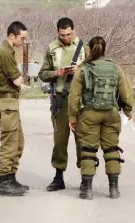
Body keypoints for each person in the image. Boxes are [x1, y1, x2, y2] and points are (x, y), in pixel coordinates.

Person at [68, 35, 134, 200]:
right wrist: (128, 112)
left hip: (89, 114)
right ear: (105, 49)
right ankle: (113, 189)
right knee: (112, 149)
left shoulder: (83, 69)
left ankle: (87, 189)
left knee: (88, 149)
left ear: (90, 49)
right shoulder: (115, 68)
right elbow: (125, 94)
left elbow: (74, 97)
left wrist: (72, 118)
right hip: (111, 113)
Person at [38, 17, 90, 191]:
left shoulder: (84, 48)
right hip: (60, 101)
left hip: (81, 102)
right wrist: (56, 72)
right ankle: (58, 177)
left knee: (82, 140)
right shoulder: (52, 48)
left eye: (68, 34)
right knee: (59, 141)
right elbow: (42, 73)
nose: (65, 38)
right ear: (57, 32)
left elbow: (94, 70)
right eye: (62, 35)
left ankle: (85, 178)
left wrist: (80, 70)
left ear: (74, 30)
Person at [0, 21, 28, 196]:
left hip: (10, 104)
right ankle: (5, 182)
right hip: (6, 104)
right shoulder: (5, 53)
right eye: (22, 38)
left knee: (18, 142)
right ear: (12, 35)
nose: (23, 41)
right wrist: (22, 81)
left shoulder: (7, 51)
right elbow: (16, 80)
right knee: (9, 144)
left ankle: (11, 177)